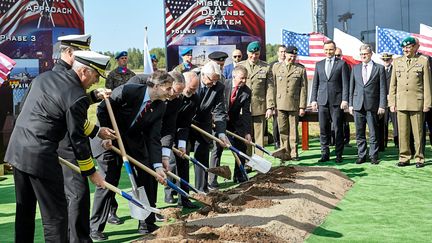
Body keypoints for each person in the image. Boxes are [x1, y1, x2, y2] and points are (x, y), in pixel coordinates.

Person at [4, 51, 110, 242]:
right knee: (56, 217)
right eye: (96, 76)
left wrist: (95, 130)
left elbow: (23, 108)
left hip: (17, 149)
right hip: (40, 157)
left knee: (25, 212)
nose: (96, 82)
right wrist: (92, 173)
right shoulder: (77, 96)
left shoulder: (45, 76)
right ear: (84, 71)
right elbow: (77, 138)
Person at [89, 70, 172, 240]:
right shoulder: (128, 90)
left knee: (147, 175)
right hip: (108, 138)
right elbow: (104, 109)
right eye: (168, 88)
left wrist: (157, 165)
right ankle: (95, 227)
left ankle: (146, 223)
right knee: (108, 180)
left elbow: (153, 137)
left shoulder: (160, 105)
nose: (171, 93)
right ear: (156, 86)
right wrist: (105, 132)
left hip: (132, 141)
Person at [55, 34, 115, 243]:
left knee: (77, 197)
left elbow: (74, 116)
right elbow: (71, 122)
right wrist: (91, 171)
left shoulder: (65, 76)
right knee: (77, 196)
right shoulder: (62, 75)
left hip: (66, 142)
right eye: (80, 53)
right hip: (65, 146)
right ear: (70, 53)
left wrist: (97, 130)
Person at [389, 36, 432, 168]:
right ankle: (404, 157)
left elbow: (427, 84)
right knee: (402, 132)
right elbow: (393, 84)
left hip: (417, 102)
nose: (406, 50)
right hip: (401, 102)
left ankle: (419, 158)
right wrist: (392, 102)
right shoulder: (397, 62)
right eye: (404, 48)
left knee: (418, 132)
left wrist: (427, 103)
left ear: (414, 47)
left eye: (408, 47)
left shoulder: (423, 61)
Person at [187, 61, 228, 192]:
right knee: (181, 156)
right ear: (203, 75)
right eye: (212, 80)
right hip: (185, 122)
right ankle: (176, 191)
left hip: (203, 124)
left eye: (216, 80)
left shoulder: (218, 87)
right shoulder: (192, 80)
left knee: (202, 155)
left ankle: (201, 189)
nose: (214, 84)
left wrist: (221, 133)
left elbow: (219, 111)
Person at [210, 65, 252, 185]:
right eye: (242, 78)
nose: (244, 81)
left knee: (241, 146)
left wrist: (247, 132)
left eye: (246, 78)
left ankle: (239, 176)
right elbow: (213, 103)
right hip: (217, 120)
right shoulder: (223, 85)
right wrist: (214, 118)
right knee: (217, 149)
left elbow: (246, 113)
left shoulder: (247, 91)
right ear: (234, 76)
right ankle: (212, 179)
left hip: (234, 122)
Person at [310, 40, 350, 163]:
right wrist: (313, 100)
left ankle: (338, 154)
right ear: (324, 50)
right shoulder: (319, 64)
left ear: (334, 49)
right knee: (323, 129)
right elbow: (315, 84)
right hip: (322, 101)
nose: (328, 52)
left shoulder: (342, 64)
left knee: (338, 129)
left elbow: (345, 84)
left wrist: (345, 99)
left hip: (337, 102)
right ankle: (325, 154)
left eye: (331, 49)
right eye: (326, 49)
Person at [348, 44, 387, 164]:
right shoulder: (355, 68)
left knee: (373, 133)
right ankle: (361, 155)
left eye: (365, 54)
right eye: (361, 54)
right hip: (358, 105)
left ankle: (373, 156)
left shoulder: (379, 68)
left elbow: (382, 88)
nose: (363, 56)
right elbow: (351, 88)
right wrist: (350, 104)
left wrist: (382, 105)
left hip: (373, 105)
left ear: (370, 54)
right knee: (359, 133)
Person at [238, 41, 274, 156]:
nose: (254, 56)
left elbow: (270, 88)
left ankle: (259, 161)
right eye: (251, 54)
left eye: (257, 54)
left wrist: (270, 107)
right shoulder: (240, 66)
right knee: (246, 136)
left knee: (259, 138)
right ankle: (248, 161)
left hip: (259, 107)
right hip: (244, 108)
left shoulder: (266, 67)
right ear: (247, 53)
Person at [272, 46, 307, 162]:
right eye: (290, 55)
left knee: (293, 129)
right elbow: (273, 87)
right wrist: (272, 104)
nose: (292, 58)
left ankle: (294, 152)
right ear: (285, 55)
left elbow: (303, 88)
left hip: (294, 103)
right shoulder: (276, 67)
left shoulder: (300, 69)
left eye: (294, 56)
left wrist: (302, 106)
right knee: (282, 129)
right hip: (280, 103)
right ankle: (284, 152)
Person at [171, 71, 201, 207]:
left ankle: (184, 199)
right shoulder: (171, 96)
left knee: (183, 161)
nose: (193, 92)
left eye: (195, 89)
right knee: (169, 164)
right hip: (163, 132)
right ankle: (169, 193)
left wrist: (181, 144)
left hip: (180, 131)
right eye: (191, 89)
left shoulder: (195, 98)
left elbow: (185, 123)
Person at [378, 53, 398, 149]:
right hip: (383, 101)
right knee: (382, 123)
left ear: (391, 60)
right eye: (384, 60)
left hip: (394, 100)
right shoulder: (379, 70)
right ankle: (382, 144)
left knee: (396, 123)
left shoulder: (396, 69)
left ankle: (398, 143)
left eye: (388, 60)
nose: (386, 62)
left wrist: (393, 95)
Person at [269, 45, 288, 150]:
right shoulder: (272, 66)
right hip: (276, 97)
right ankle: (276, 141)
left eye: (285, 52)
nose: (283, 54)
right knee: (276, 121)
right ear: (277, 53)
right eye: (281, 52)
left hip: (287, 98)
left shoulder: (290, 64)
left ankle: (286, 142)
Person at [334, 47, 352, 147]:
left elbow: (348, 83)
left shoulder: (346, 65)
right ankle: (333, 140)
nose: (337, 57)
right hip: (333, 98)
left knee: (345, 121)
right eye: (335, 55)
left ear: (342, 56)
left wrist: (347, 99)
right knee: (334, 122)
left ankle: (346, 139)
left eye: (338, 55)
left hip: (343, 97)